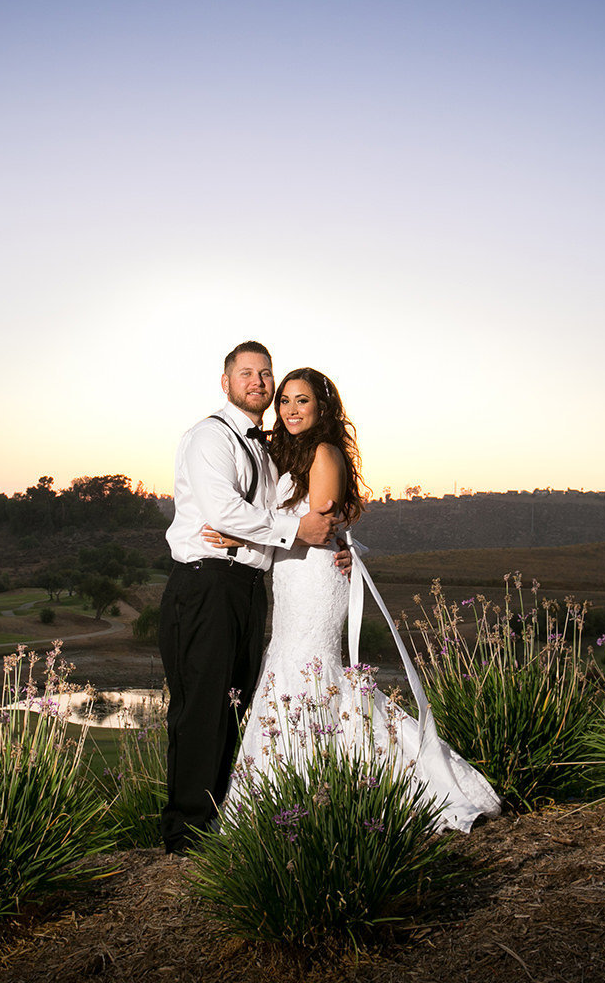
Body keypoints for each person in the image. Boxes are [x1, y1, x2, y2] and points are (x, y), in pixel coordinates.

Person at [209, 367, 501, 832]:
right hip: (291, 576)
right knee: (292, 665)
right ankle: (299, 791)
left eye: (301, 400)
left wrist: (240, 536)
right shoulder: (292, 456)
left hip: (314, 579)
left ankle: (364, 786)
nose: (289, 409)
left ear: (322, 408)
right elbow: (305, 525)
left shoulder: (323, 453)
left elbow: (319, 527)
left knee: (310, 670)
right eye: (284, 401)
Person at [158, 342, 342, 855]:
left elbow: (258, 519)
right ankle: (186, 836)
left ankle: (220, 820)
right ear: (226, 382)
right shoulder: (208, 438)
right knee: (201, 710)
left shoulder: (269, 446)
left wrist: (337, 545)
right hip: (206, 585)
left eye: (266, 374)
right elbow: (222, 509)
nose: (259, 382)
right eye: (247, 373)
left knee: (235, 705)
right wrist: (292, 529)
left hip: (248, 588)